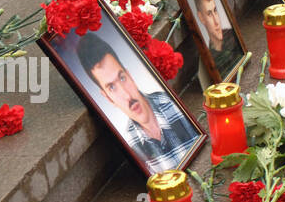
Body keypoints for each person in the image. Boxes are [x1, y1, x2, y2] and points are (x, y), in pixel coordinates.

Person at [75, 32, 201, 173]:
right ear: (108, 98)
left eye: (122, 78)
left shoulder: (171, 103)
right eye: (112, 87)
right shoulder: (130, 144)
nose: (127, 95)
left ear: (130, 75)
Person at [190, 0, 242, 79]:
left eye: (215, 10)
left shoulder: (233, 36)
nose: (216, 21)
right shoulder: (210, 58)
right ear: (201, 18)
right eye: (209, 14)